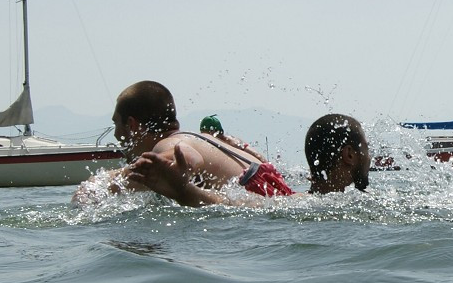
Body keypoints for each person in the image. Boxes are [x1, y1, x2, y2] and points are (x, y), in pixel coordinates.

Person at [73, 81, 292, 206]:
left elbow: (188, 157)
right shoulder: (201, 137)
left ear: (132, 125)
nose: (116, 135)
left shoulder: (169, 145)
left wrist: (99, 184)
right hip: (277, 195)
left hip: (257, 207)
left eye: (116, 124)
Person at [125, 113, 371, 206]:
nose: (370, 157)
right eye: (366, 148)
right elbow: (227, 205)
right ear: (349, 155)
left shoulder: (282, 189)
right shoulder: (297, 204)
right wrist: (183, 190)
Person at [200, 114, 269, 163]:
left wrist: (266, 164)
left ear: (215, 132)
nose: (206, 138)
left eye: (207, 134)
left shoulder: (230, 141)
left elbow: (256, 155)